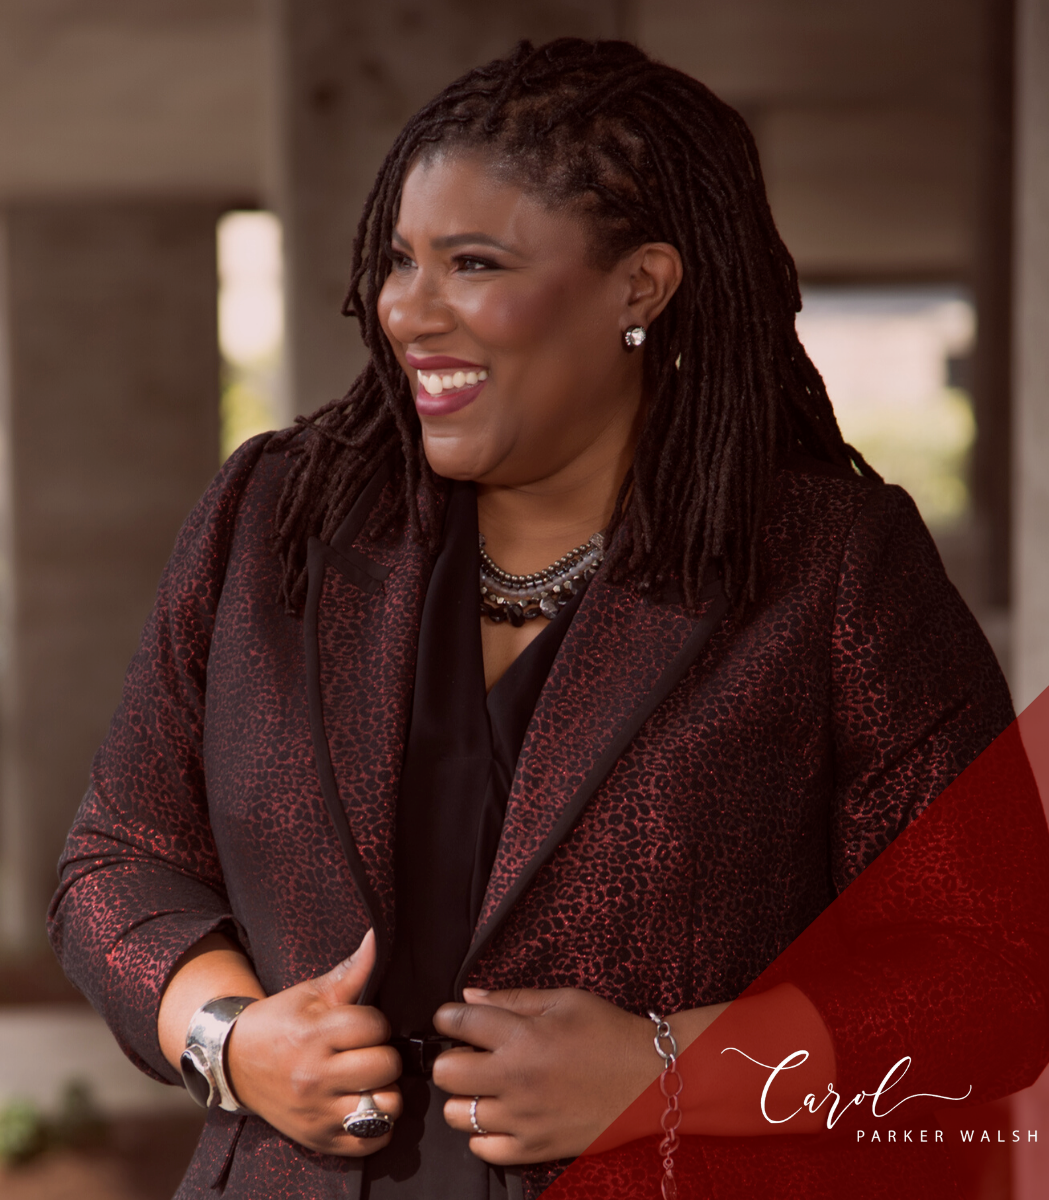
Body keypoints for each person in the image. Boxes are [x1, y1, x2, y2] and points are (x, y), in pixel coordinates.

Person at [48, 37, 1049, 1200]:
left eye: (472, 264)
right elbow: (117, 858)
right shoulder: (273, 520)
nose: (407, 309)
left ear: (640, 286)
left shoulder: (825, 565)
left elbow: (991, 974)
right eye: (398, 260)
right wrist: (230, 1040)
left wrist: (665, 1071)